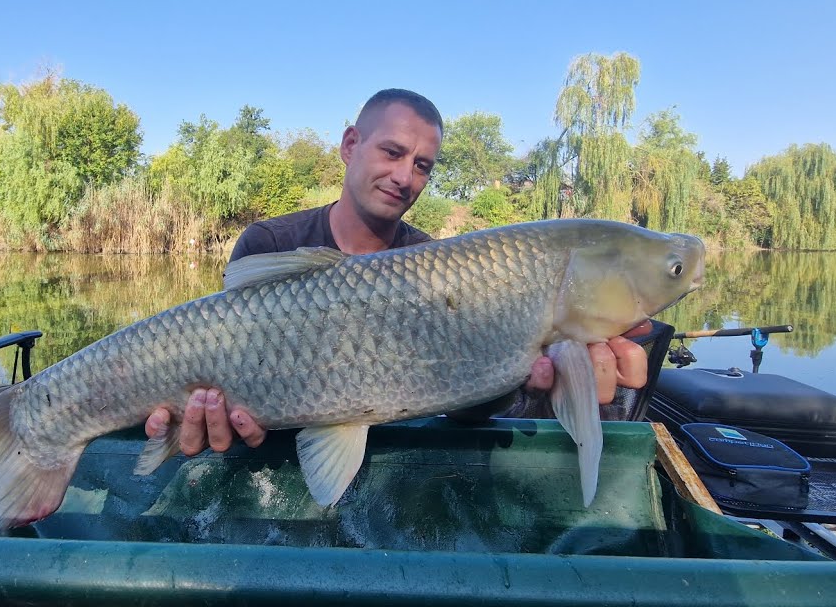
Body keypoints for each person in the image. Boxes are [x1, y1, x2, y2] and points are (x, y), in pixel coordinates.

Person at [145, 88, 650, 457]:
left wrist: (519, 383)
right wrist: (210, 421)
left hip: (386, 458)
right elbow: (223, 380)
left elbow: (460, 397)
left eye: (423, 165)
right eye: (392, 152)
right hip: (272, 457)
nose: (405, 176)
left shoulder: (439, 266)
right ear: (350, 145)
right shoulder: (269, 243)